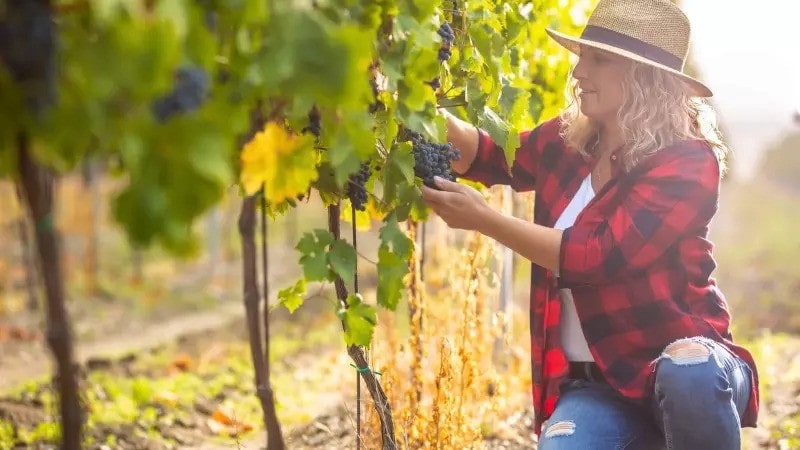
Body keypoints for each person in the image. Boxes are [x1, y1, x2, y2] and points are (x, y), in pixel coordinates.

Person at [421, 0, 760, 448]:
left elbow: (595, 256)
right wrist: (413, 102)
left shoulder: (688, 162)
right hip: (600, 386)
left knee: (687, 372)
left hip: (683, 367)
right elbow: (484, 154)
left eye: (598, 59)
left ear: (643, 76)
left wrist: (485, 220)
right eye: (582, 56)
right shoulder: (569, 142)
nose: (579, 72)